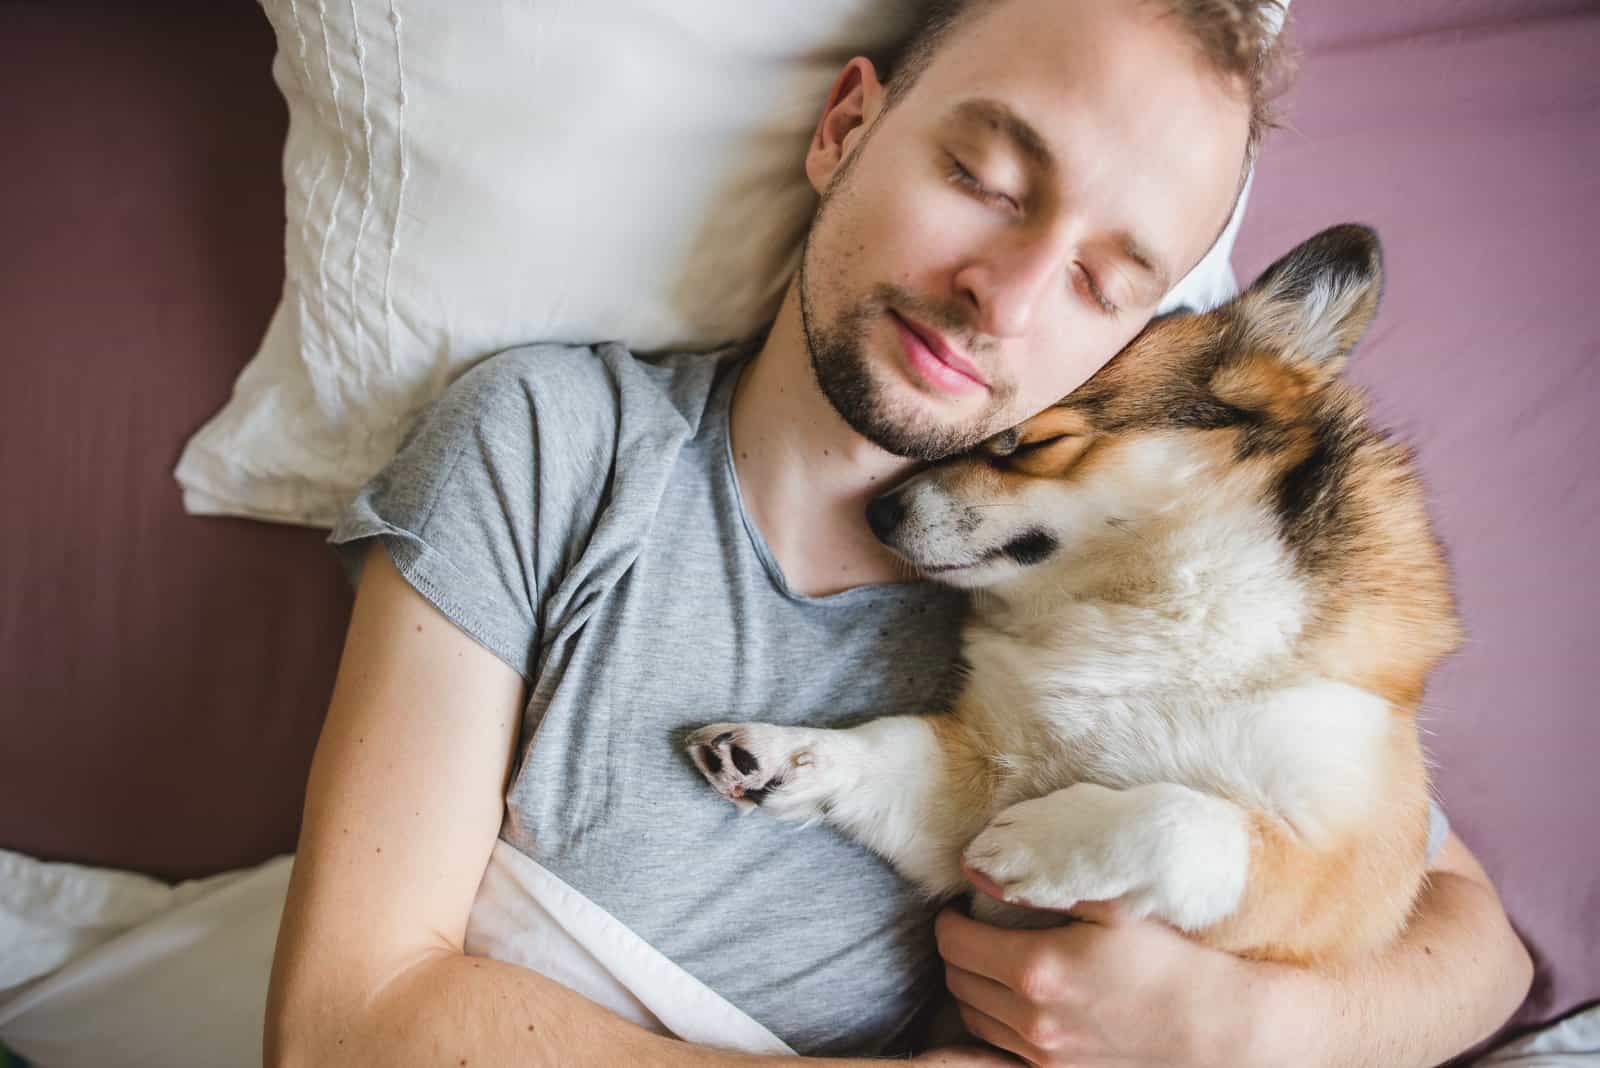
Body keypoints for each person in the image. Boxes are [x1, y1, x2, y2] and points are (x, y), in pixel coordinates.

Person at [264, 0, 1533, 1065]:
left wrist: (1249, 1026)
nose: (1006, 294)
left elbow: (1475, 947)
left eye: (1104, 282)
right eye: (983, 176)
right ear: (845, 127)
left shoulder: (1143, 593)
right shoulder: (555, 443)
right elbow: (340, 1024)